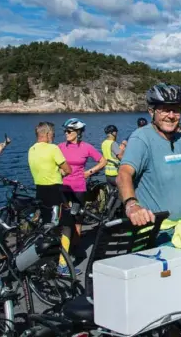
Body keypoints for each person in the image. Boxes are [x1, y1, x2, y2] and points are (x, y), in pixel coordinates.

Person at [117, 83, 181, 251]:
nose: (171, 115)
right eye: (165, 110)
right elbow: (124, 174)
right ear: (151, 112)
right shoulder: (141, 138)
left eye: (176, 110)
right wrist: (132, 205)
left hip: (180, 229)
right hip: (153, 233)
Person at [28, 122, 74, 275]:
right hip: (54, 191)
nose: (54, 136)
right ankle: (63, 264)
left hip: (40, 191)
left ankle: (46, 260)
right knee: (67, 226)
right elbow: (68, 169)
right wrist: (60, 172)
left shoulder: (31, 149)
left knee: (47, 226)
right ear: (47, 134)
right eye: (53, 134)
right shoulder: (53, 148)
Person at [58, 118, 107, 261]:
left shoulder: (86, 147)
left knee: (77, 219)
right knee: (63, 220)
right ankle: (63, 250)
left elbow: (103, 161)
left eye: (69, 131)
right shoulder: (60, 146)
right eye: (65, 131)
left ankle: (75, 249)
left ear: (78, 133)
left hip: (79, 187)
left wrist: (89, 172)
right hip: (63, 187)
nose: (66, 133)